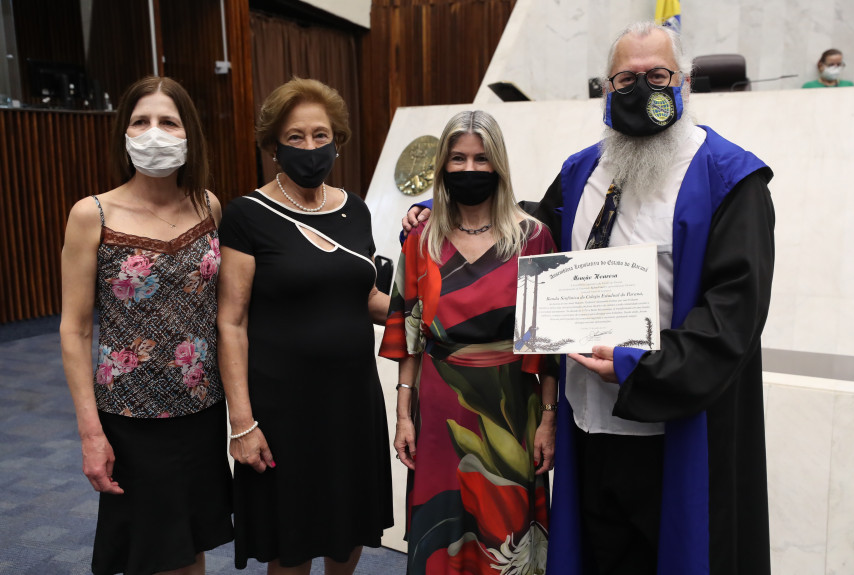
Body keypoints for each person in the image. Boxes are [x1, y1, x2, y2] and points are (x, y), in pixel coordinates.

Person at [404, 21, 775, 575]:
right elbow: (525, 232)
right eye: (625, 79)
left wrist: (639, 363)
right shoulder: (584, 171)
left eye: (657, 75)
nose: (641, 90)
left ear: (686, 84)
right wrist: (453, 214)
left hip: (670, 433)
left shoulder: (731, 180)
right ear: (606, 89)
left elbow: (734, 319)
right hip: (587, 430)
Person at [217, 77, 393, 575]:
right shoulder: (246, 216)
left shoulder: (355, 210)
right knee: (291, 544)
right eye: (296, 137)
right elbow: (230, 322)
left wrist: (446, 307)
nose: (311, 147)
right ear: (274, 145)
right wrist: (241, 422)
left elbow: (368, 299)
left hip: (352, 402)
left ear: (337, 140)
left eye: (322, 135)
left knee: (349, 532)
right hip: (283, 409)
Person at [59, 76, 232, 575]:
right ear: (125, 132)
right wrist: (91, 433)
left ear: (188, 134)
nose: (154, 133)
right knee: (148, 555)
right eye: (141, 121)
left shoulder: (208, 206)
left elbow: (222, 312)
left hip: (200, 409)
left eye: (168, 122)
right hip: (131, 416)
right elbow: (74, 329)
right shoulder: (92, 214)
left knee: (190, 545)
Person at [381, 110, 558, 574]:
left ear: (498, 164)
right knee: (444, 528)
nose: (469, 169)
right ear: (442, 166)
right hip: (439, 406)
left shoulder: (533, 238)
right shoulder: (420, 238)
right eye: (457, 158)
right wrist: (403, 415)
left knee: (506, 530)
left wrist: (549, 419)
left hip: (511, 408)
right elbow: (410, 333)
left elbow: (548, 344)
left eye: (481, 158)